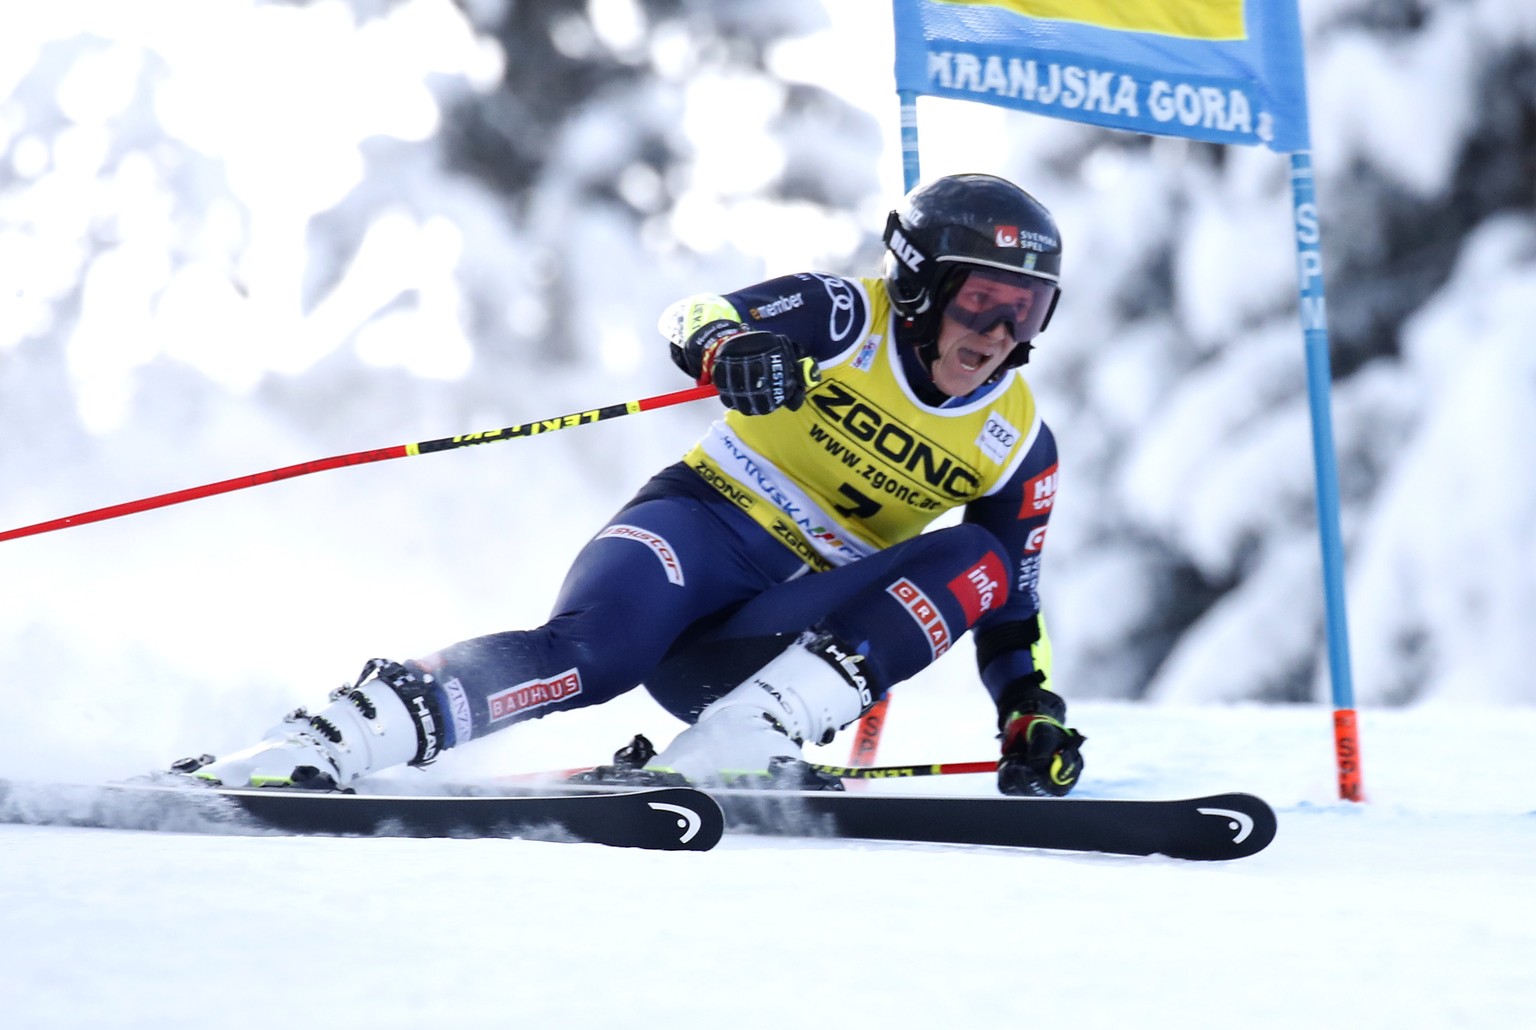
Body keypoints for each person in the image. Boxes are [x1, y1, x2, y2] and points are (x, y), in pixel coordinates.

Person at [181, 172, 1086, 796]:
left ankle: (744, 737)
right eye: (983, 300)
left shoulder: (1015, 442)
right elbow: (698, 314)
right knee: (594, 655)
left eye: (1028, 309)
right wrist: (735, 349)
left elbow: (1013, 606)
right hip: (697, 532)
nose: (1001, 332)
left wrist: (1028, 710)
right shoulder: (848, 315)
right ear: (922, 285)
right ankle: (332, 737)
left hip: (771, 645)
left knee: (980, 556)